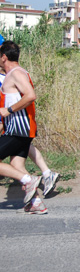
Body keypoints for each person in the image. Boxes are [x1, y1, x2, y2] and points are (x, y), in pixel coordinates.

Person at [0, 41, 46, 213]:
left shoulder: (16, 73)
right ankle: (36, 204)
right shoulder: (17, 72)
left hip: (18, 129)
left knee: (21, 173)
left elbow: (31, 95)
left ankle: (28, 180)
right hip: (23, 129)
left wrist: (8, 110)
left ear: (4, 57)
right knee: (17, 166)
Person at [0, 69, 59, 197]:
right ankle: (36, 200)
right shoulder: (14, 74)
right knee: (17, 163)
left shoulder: (8, 76)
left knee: (18, 146)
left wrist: (8, 112)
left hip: (13, 123)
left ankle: (37, 177)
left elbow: (28, 96)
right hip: (19, 124)